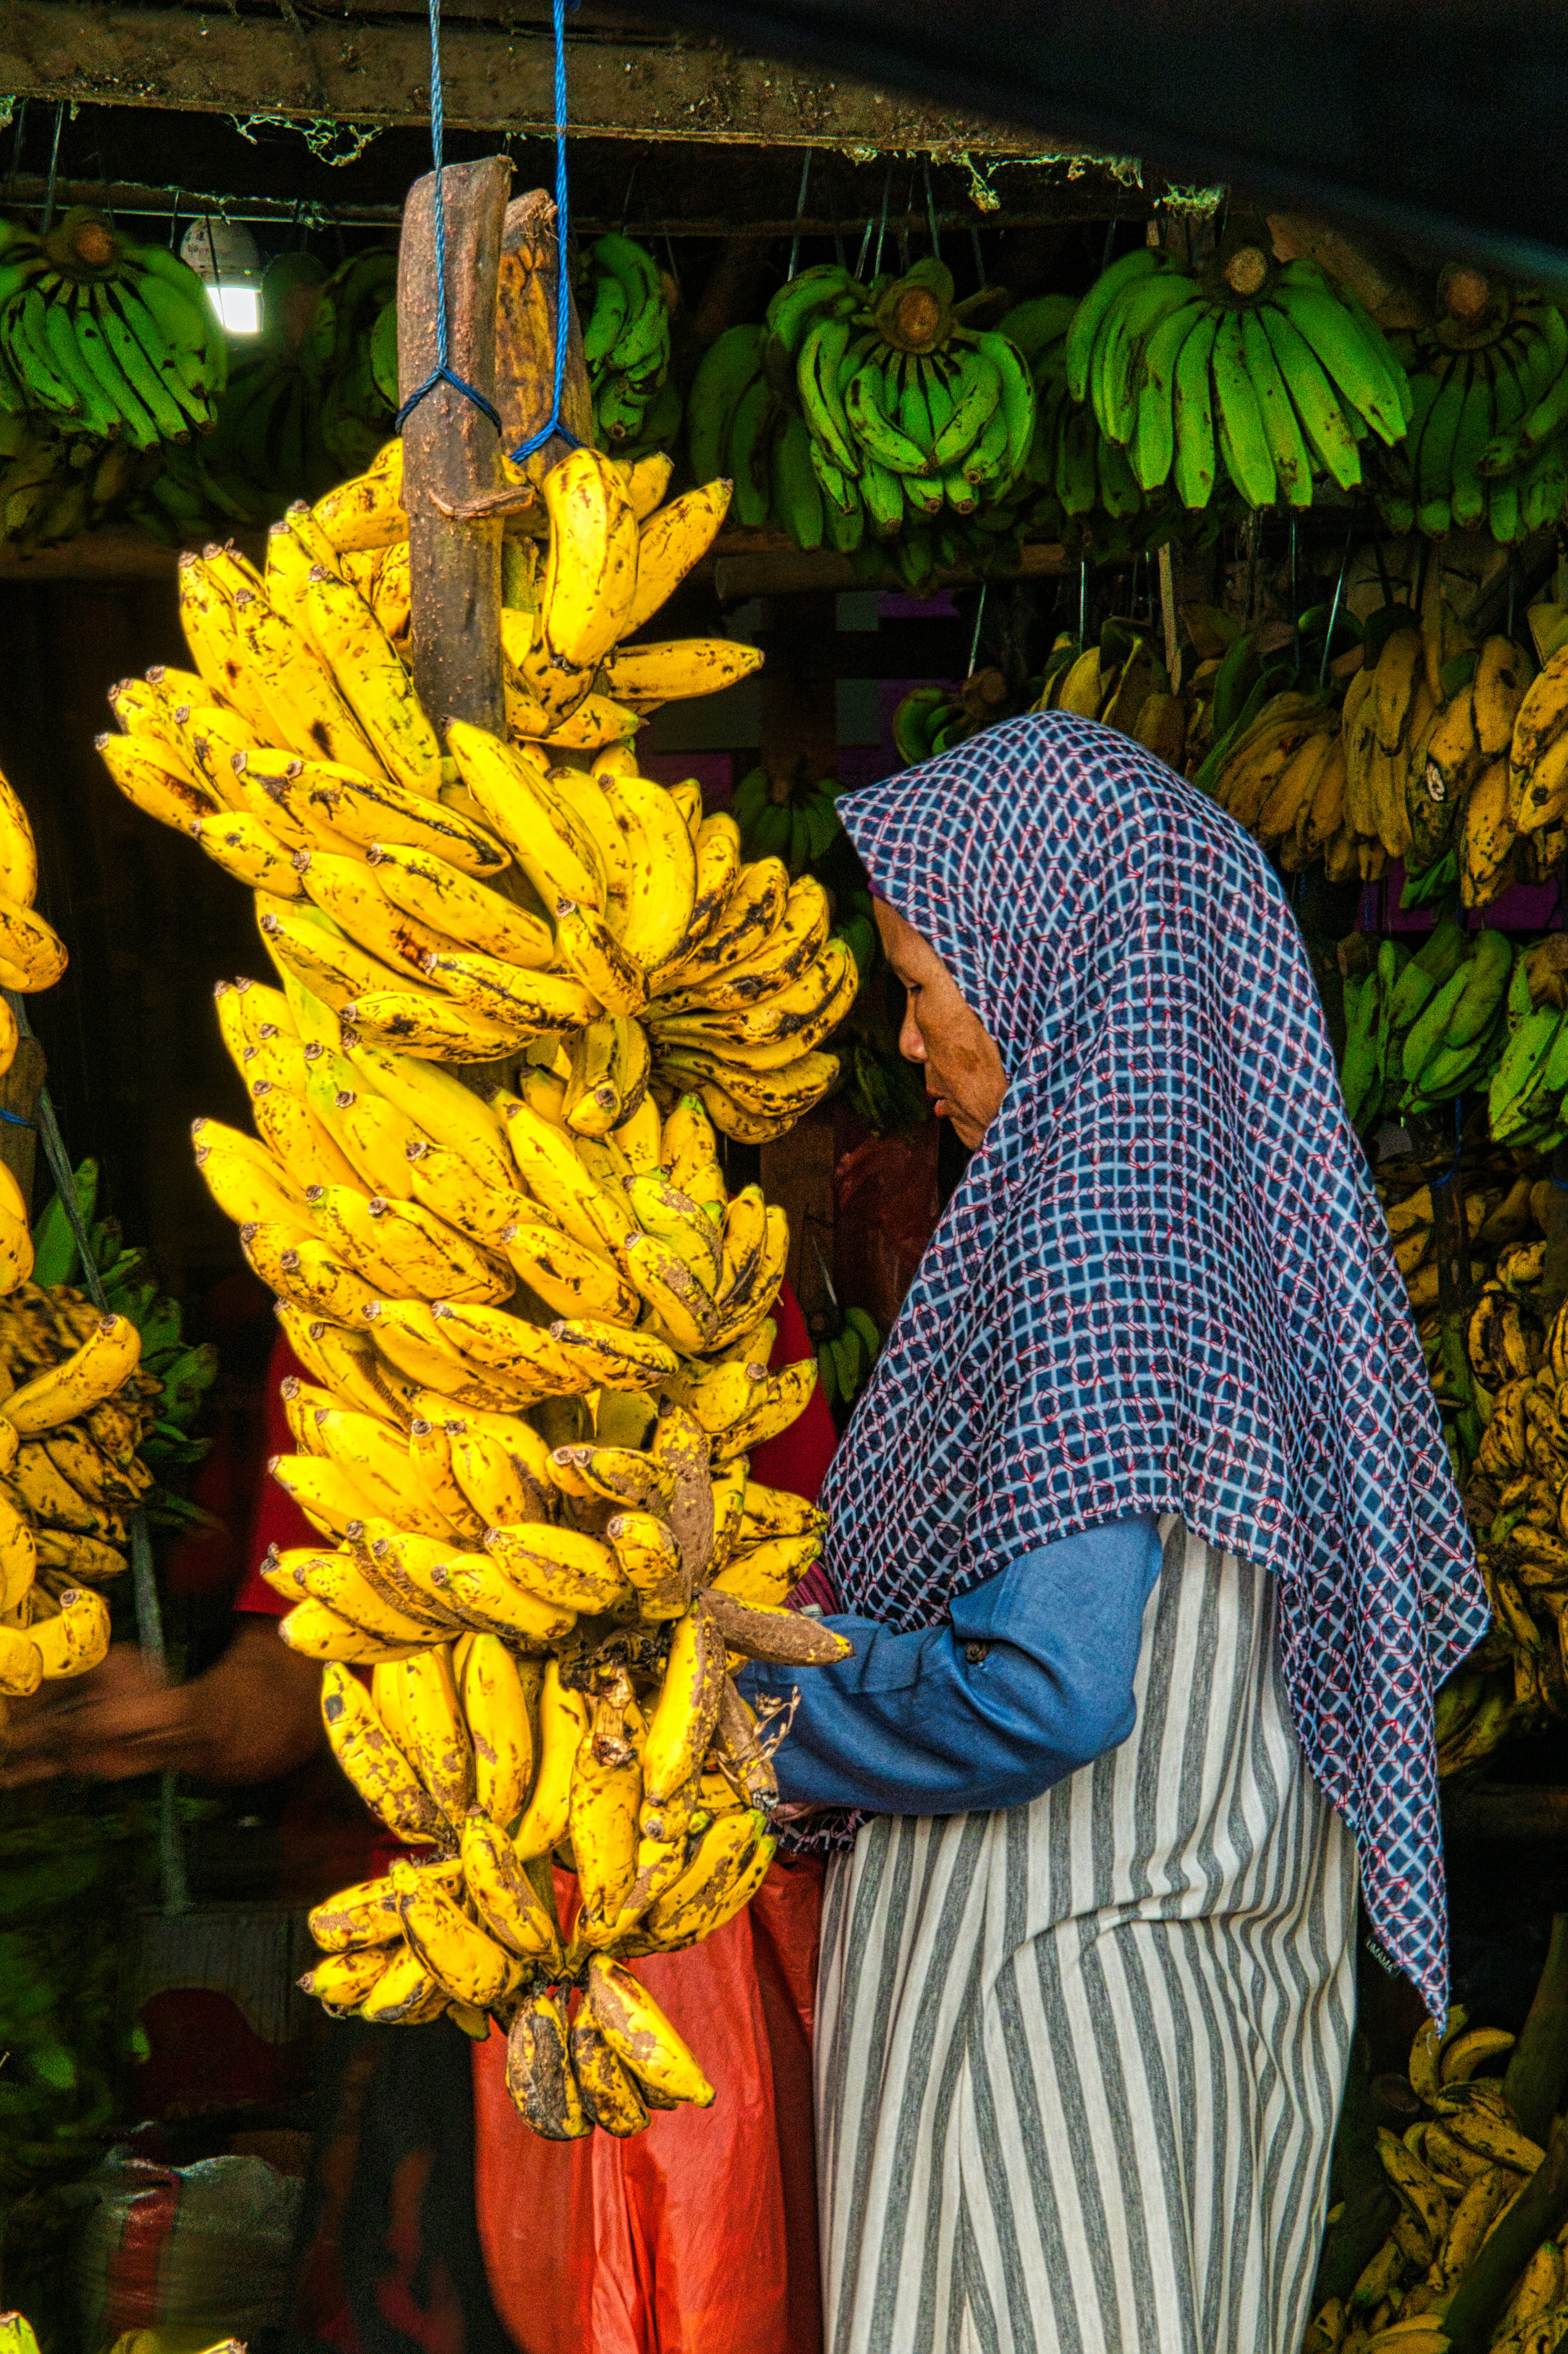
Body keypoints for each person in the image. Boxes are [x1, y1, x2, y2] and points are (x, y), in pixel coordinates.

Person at [736, 712, 1489, 2354]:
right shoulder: (1253, 1253)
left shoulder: (1091, 1250)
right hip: (1225, 2000)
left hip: (1048, 2022)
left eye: (928, 991)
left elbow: (1047, 1690)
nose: (914, 1043)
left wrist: (757, 1713)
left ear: (1039, 977)